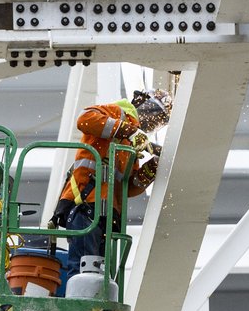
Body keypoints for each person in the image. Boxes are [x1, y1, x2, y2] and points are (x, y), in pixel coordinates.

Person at [50, 89, 172, 279]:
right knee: (84, 269)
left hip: (106, 215)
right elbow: (85, 119)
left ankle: (92, 306)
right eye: (154, 114)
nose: (151, 123)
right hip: (86, 204)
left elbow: (127, 187)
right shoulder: (117, 113)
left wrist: (150, 170)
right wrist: (129, 130)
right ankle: (83, 304)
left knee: (99, 275)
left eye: (159, 121)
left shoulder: (131, 145)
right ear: (142, 105)